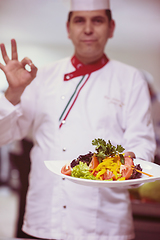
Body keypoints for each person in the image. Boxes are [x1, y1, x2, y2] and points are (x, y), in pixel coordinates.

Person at [0, 0, 156, 239]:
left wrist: (124, 166)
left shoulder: (131, 78)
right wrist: (13, 93)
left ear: (111, 27)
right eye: (80, 20)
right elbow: (5, 135)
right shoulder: (41, 76)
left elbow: (143, 143)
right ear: (68, 28)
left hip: (105, 224)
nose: (88, 29)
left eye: (98, 20)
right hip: (44, 217)